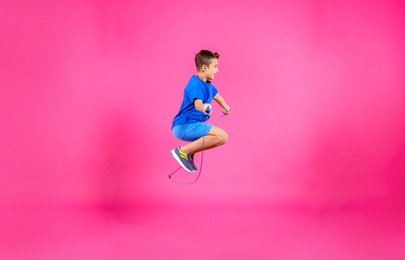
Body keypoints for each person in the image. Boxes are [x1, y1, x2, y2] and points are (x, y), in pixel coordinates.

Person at [171, 50, 231, 172]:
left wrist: (226, 107)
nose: (217, 70)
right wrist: (203, 107)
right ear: (204, 67)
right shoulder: (195, 85)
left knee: (223, 138)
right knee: (221, 135)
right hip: (184, 125)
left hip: (192, 125)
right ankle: (183, 151)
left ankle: (188, 153)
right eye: (215, 66)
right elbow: (197, 103)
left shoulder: (207, 84)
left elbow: (218, 97)